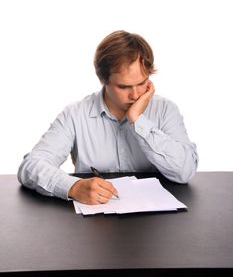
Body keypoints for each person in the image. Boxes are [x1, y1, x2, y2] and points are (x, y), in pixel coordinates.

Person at [18, 30, 198, 205]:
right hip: (95, 224)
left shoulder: (166, 110)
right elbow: (31, 166)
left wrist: (137, 120)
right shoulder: (75, 114)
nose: (135, 95)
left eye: (142, 83)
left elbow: (184, 171)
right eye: (123, 86)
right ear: (103, 79)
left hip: (157, 224)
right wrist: (73, 187)